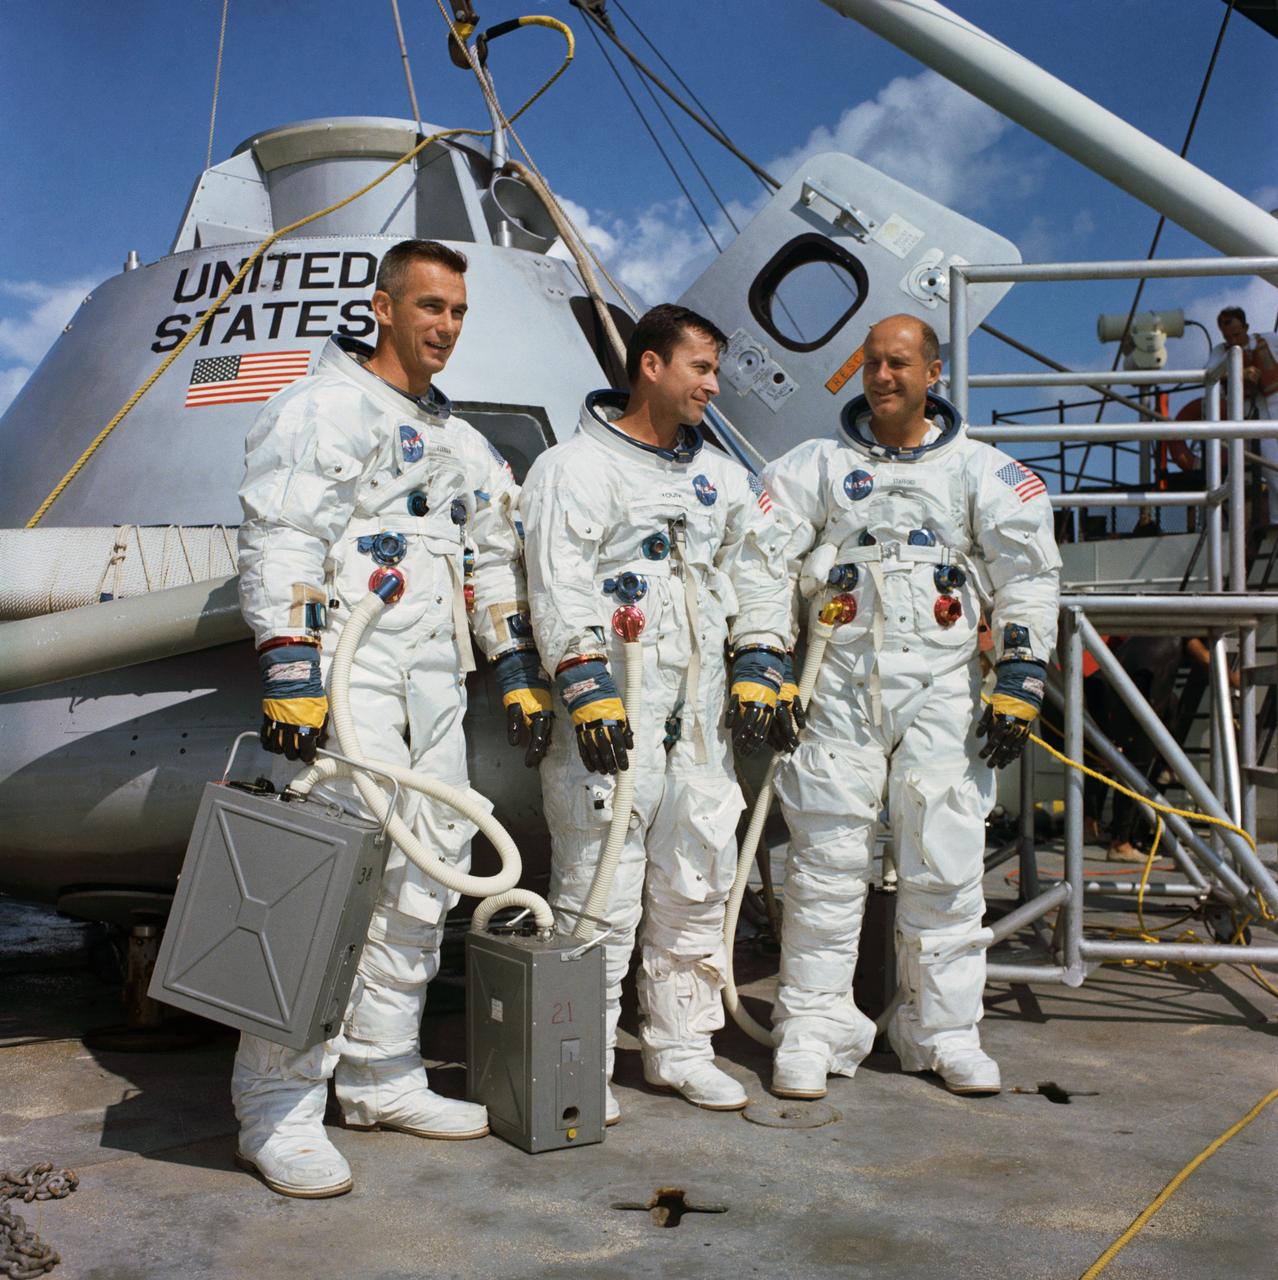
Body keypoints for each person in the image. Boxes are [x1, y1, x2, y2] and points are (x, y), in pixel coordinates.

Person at [233, 239, 552, 1197]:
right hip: (349, 673)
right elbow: (281, 528)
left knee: (427, 876)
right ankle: (276, 1109)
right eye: (429, 307)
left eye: (457, 310)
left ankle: (379, 1075)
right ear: (382, 307)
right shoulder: (326, 405)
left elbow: (494, 550)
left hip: (432, 684)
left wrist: (520, 665)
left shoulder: (459, 441)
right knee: (322, 883)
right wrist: (290, 663)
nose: (445, 326)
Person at [762, 314, 1061, 1099]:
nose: (882, 376)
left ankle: (942, 1032)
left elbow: (1028, 574)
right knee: (826, 859)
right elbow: (762, 559)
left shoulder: (983, 473)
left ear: (933, 372)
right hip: (838, 686)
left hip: (943, 688)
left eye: (899, 364)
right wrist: (764, 654)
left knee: (946, 858)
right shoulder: (813, 467)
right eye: (871, 364)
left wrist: (1023, 669)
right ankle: (813, 1025)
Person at [520, 304, 792, 1123]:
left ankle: (681, 1048)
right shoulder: (573, 468)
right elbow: (557, 580)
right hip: (613, 709)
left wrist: (760, 659)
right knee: (599, 889)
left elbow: (762, 568)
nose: (714, 385)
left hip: (700, 714)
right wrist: (585, 682)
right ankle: (584, 1064)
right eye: (700, 368)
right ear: (650, 366)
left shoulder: (722, 479)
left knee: (697, 882)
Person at [1207, 306, 1278, 528]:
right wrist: (1240, 372)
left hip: (1274, 410)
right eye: (1228, 336)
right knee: (1271, 466)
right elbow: (1210, 375)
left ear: (1246, 327)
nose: (1233, 340)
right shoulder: (1221, 352)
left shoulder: (1269, 341)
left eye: (1237, 334)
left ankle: (1276, 518)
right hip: (1247, 418)